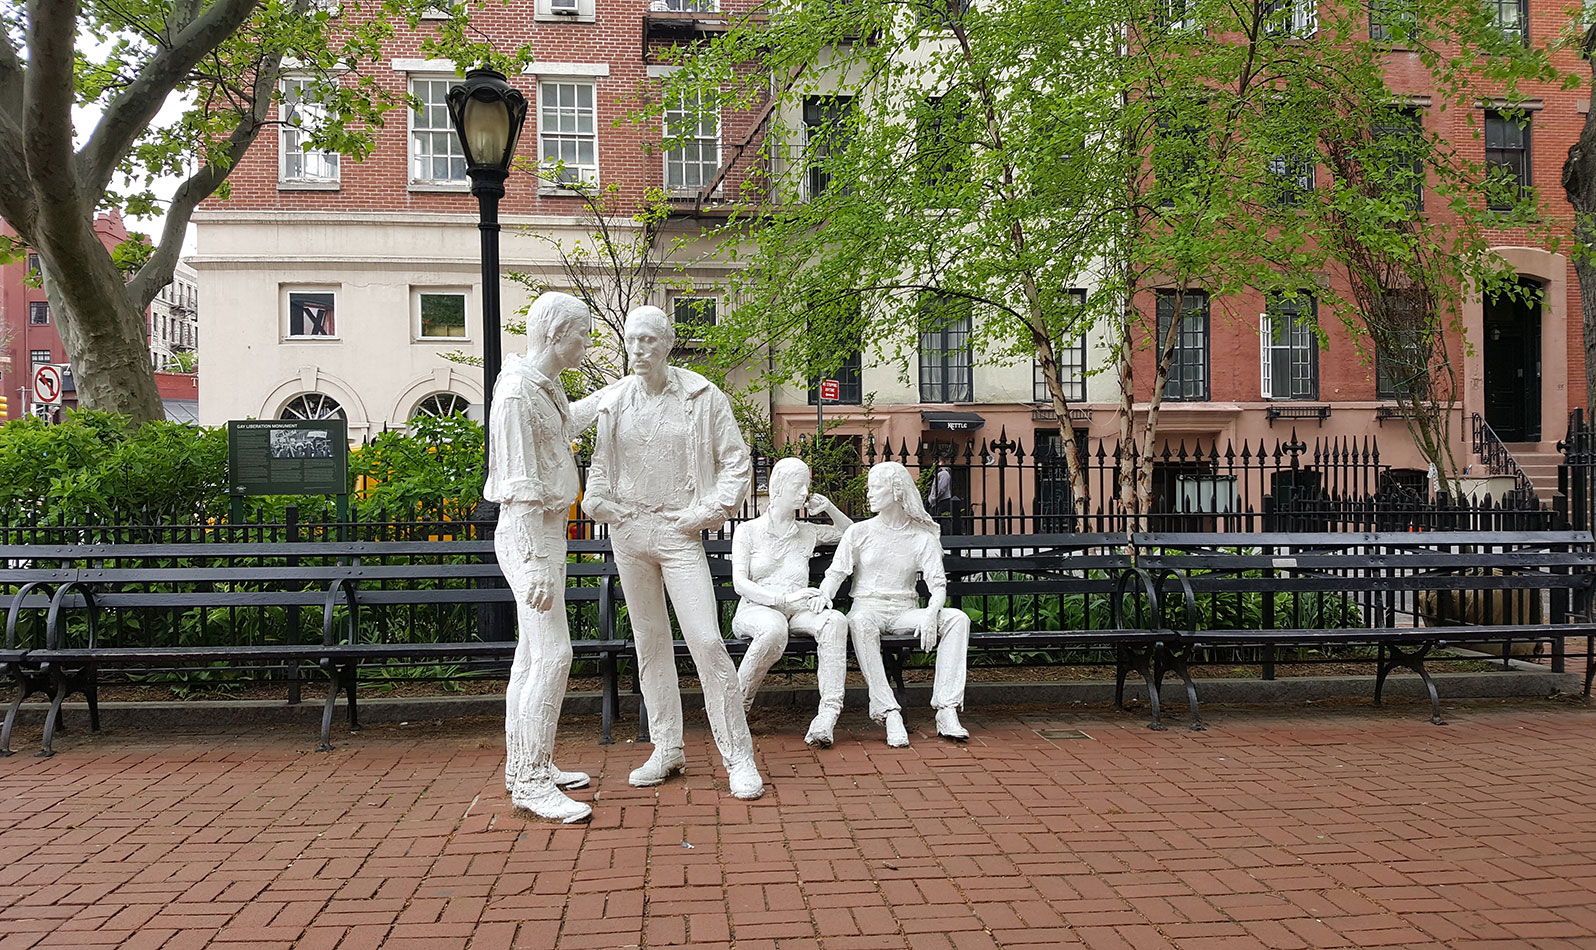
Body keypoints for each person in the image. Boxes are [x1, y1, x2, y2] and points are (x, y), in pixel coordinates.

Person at [578, 306, 765, 800]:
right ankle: (667, 747)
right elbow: (599, 467)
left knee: (705, 641)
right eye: (630, 341)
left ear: (667, 343)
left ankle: (738, 755)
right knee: (650, 644)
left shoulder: (703, 395)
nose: (637, 350)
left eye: (647, 341)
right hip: (629, 532)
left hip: (680, 532)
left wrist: (707, 512)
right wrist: (597, 502)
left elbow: (736, 462)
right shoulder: (613, 402)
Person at [486, 291, 597, 823]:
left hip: (548, 531)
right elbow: (519, 484)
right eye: (582, 333)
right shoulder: (515, 394)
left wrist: (613, 396)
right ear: (556, 334)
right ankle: (529, 782)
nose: (587, 341)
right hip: (529, 535)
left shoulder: (544, 386)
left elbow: (567, 426)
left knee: (531, 656)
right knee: (555, 655)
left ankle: (527, 765)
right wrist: (532, 562)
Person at [820, 460, 970, 747]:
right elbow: (836, 574)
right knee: (860, 622)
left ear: (897, 492)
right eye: (869, 488)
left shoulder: (921, 537)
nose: (869, 494)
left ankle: (946, 709)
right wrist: (823, 596)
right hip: (868, 608)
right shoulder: (859, 532)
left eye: (876, 488)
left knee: (956, 619)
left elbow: (938, 585)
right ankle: (888, 711)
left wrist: (931, 613)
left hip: (905, 611)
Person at [730, 457, 853, 747]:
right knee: (773, 629)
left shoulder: (808, 531)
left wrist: (830, 509)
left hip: (797, 611)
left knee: (835, 621)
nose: (803, 493)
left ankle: (827, 716)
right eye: (798, 486)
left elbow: (852, 535)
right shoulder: (748, 531)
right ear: (777, 489)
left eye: (806, 486)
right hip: (756, 610)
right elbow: (740, 584)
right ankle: (735, 711)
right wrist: (783, 597)